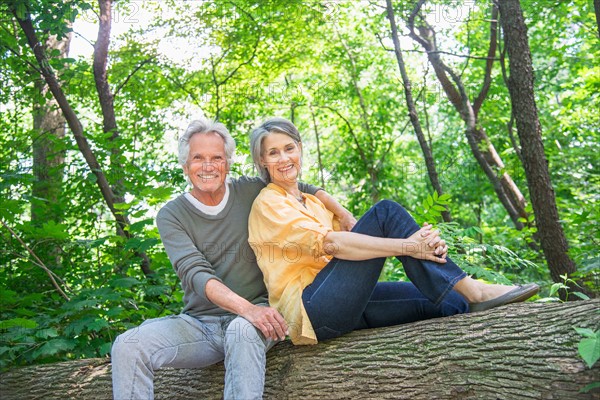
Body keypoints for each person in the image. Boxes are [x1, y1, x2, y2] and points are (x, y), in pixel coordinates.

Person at [110, 118, 354, 399]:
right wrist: (245, 309)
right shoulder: (171, 215)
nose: (208, 166)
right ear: (185, 165)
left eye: (217, 157)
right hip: (201, 325)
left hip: (260, 317)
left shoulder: (250, 191)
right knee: (128, 344)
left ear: (227, 162)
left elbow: (302, 187)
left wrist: (344, 214)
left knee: (242, 330)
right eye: (198, 158)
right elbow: (196, 274)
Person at [247, 117, 539, 345]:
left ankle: (466, 292)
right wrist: (409, 247)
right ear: (262, 161)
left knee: (452, 301)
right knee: (385, 212)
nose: (284, 158)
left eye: (289, 148)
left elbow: (361, 245)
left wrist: (425, 246)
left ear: (300, 148)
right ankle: (473, 287)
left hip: (346, 302)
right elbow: (336, 245)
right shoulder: (269, 203)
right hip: (312, 310)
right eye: (273, 153)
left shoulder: (313, 202)